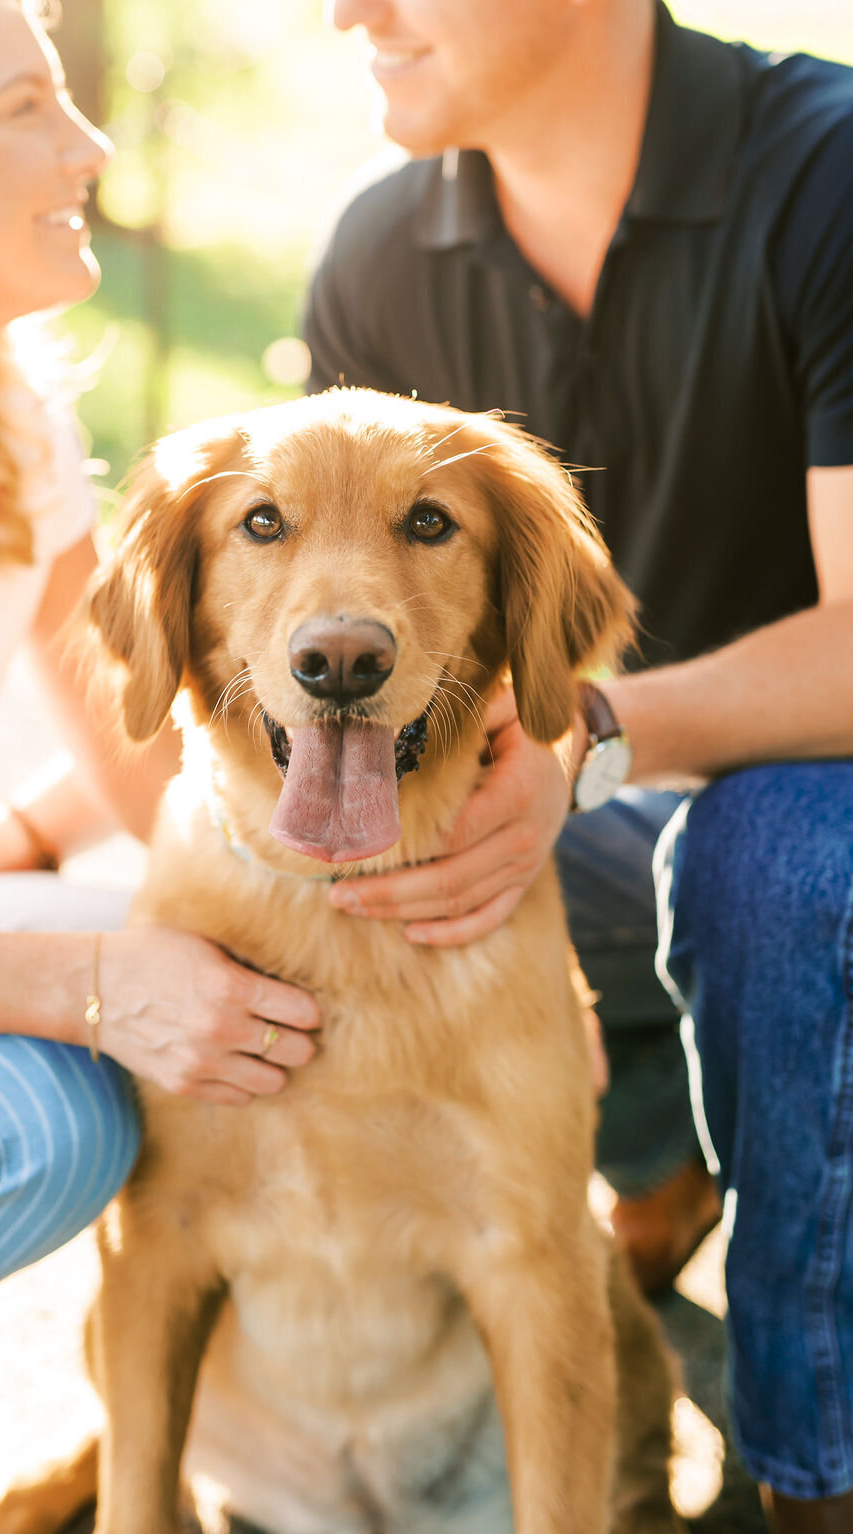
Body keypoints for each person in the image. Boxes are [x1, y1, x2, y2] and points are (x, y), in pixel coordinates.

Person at [304, 0, 853, 1526]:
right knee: (334, 839)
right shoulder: (376, 258)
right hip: (577, 815)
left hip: (798, 798)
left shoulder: (827, 173)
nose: (346, 9)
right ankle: (657, 1148)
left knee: (779, 861)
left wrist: (590, 734)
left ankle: (813, 1475)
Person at [0, 0, 320, 1456]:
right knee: (43, 1121)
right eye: (27, 109)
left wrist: (434, 890)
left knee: (225, 952)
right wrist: (82, 982)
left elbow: (169, 774)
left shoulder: (15, 442)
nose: (92, 145)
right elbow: (83, 977)